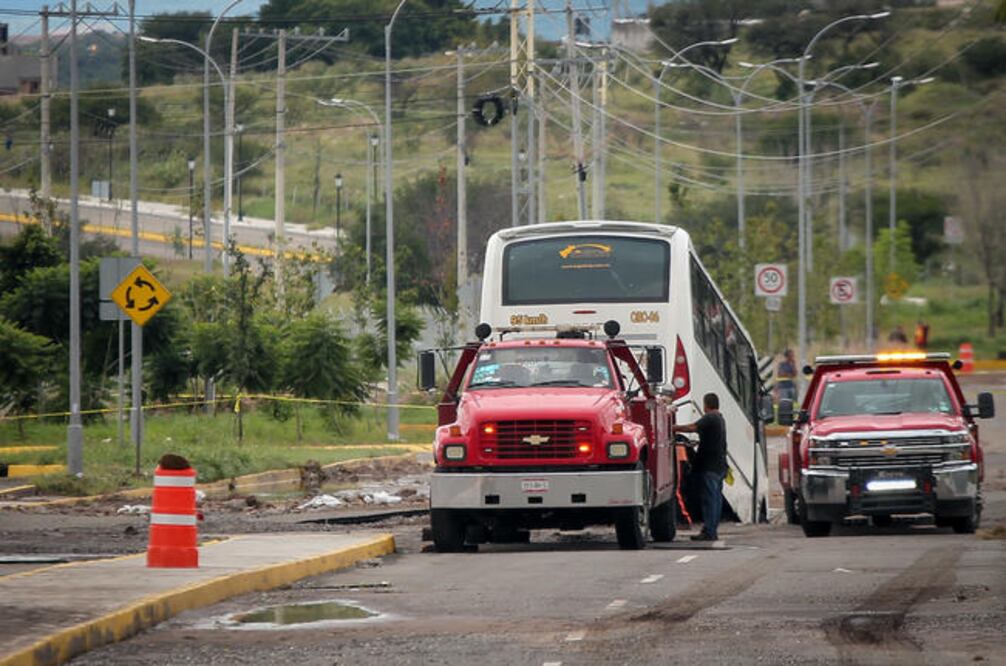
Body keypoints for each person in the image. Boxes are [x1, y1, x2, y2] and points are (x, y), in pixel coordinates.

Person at [672, 393, 728, 542]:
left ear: (706, 404)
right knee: (715, 499)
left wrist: (673, 428)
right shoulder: (720, 418)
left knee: (710, 500)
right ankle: (711, 529)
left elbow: (692, 427)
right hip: (719, 465)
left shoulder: (710, 417)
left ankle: (709, 531)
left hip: (710, 467)